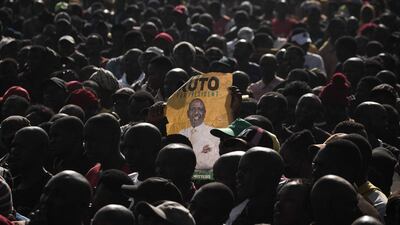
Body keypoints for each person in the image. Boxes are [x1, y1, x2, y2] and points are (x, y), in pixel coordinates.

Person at [226, 147, 283, 225]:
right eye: (239, 170)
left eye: (246, 170)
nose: (238, 175)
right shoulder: (240, 210)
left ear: (270, 174)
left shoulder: (281, 217)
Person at [7, 126, 52, 215]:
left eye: (22, 147)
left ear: (42, 150)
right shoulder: (10, 184)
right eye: (13, 146)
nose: (14, 151)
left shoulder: (51, 189)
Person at [83, 113, 129, 188]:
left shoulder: (131, 175)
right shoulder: (92, 173)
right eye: (85, 140)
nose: (88, 145)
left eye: (94, 139)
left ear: (113, 138)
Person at [179, 98, 220, 170]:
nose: (196, 112)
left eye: (200, 109)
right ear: (188, 113)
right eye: (193, 109)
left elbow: (210, 163)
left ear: (204, 113)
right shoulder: (181, 134)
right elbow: (177, 161)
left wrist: (185, 159)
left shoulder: (214, 133)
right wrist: (199, 151)